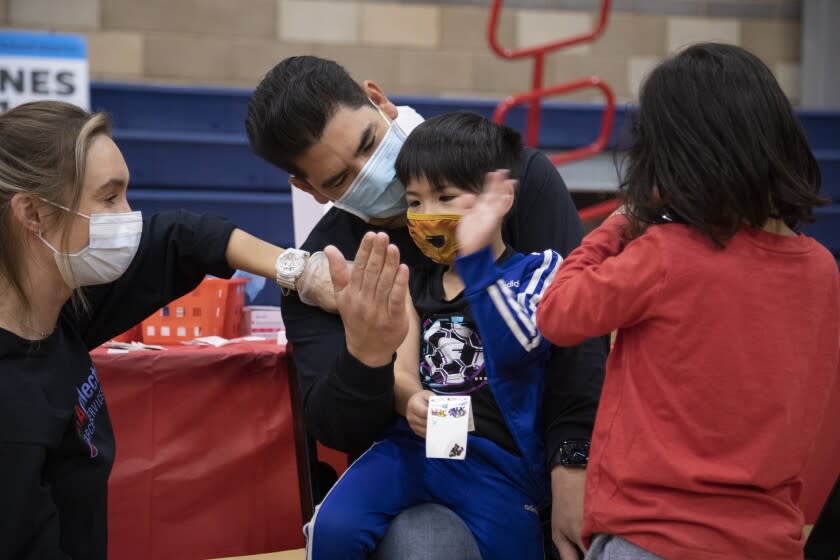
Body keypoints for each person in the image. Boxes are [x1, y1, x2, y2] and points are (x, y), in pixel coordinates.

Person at [246, 55, 606, 559]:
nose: (371, 173)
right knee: (416, 542)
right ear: (308, 189)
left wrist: (574, 461)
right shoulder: (328, 265)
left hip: (524, 464)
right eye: (338, 179)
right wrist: (369, 356)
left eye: (368, 144)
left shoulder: (505, 177)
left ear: (379, 101)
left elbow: (580, 334)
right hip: (418, 461)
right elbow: (334, 424)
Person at [0, 101, 348, 559]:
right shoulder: (12, 406)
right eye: (109, 198)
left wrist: (302, 271)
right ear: (33, 214)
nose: (129, 217)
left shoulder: (60, 308)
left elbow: (183, 237)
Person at [535, 43, 839, 560]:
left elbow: (558, 314)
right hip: (768, 540)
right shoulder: (820, 268)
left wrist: (617, 226)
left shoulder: (665, 254)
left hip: (652, 537)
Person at [307, 113, 560, 559]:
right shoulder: (413, 284)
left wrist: (478, 261)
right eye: (415, 202)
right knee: (334, 525)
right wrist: (409, 399)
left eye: (444, 197)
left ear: (500, 199)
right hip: (416, 449)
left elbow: (517, 347)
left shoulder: (539, 271)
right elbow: (401, 370)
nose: (427, 216)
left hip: (498, 467)